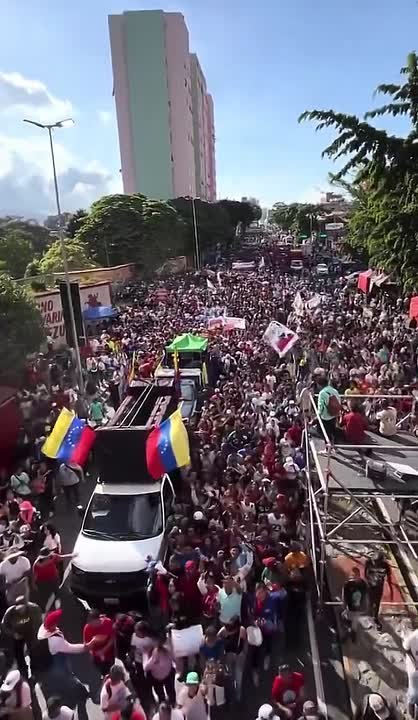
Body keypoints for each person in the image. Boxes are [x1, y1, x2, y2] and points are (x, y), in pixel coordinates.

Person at [36, 609, 90, 720]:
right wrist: (85, 647)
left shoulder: (43, 630)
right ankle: (81, 706)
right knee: (77, 687)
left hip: (51, 665)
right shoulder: (55, 641)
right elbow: (70, 648)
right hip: (58, 665)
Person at [1, 596, 42, 676]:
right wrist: (13, 633)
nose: (20, 610)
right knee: (18, 654)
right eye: (18, 609)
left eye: (22, 608)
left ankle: (35, 672)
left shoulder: (34, 609)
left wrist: (36, 634)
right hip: (17, 633)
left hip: (30, 631)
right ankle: (23, 673)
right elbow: (4, 626)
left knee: (34, 651)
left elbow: (39, 622)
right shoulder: (10, 612)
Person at [364, 550, 393, 631]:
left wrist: (391, 589)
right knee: (370, 601)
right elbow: (365, 574)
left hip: (379, 586)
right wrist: (369, 581)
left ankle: (375, 617)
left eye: (378, 562)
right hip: (370, 585)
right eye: (375, 561)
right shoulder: (368, 562)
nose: (376, 563)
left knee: (377, 603)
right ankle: (369, 616)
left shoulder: (385, 565)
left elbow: (389, 576)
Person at [143, 638, 176, 706]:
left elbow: (174, 658)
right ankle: (165, 704)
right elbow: (145, 667)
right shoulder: (147, 652)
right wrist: (153, 658)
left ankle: (171, 703)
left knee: (169, 691)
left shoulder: (165, 650)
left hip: (166, 675)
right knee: (162, 694)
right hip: (158, 678)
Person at [342, 567, 368, 642]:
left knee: (354, 622)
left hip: (358, 608)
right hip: (349, 606)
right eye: (352, 576)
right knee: (347, 620)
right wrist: (344, 604)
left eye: (355, 575)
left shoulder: (363, 584)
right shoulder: (348, 584)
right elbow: (344, 595)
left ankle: (352, 634)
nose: (353, 577)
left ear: (359, 575)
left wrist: (365, 606)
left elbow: (366, 596)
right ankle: (349, 633)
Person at [316, 376, 341, 448]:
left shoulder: (322, 393)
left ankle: (328, 448)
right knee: (332, 430)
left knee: (323, 432)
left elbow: (320, 406)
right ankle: (333, 444)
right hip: (334, 415)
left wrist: (318, 416)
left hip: (325, 417)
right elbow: (339, 402)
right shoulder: (335, 391)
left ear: (319, 385)